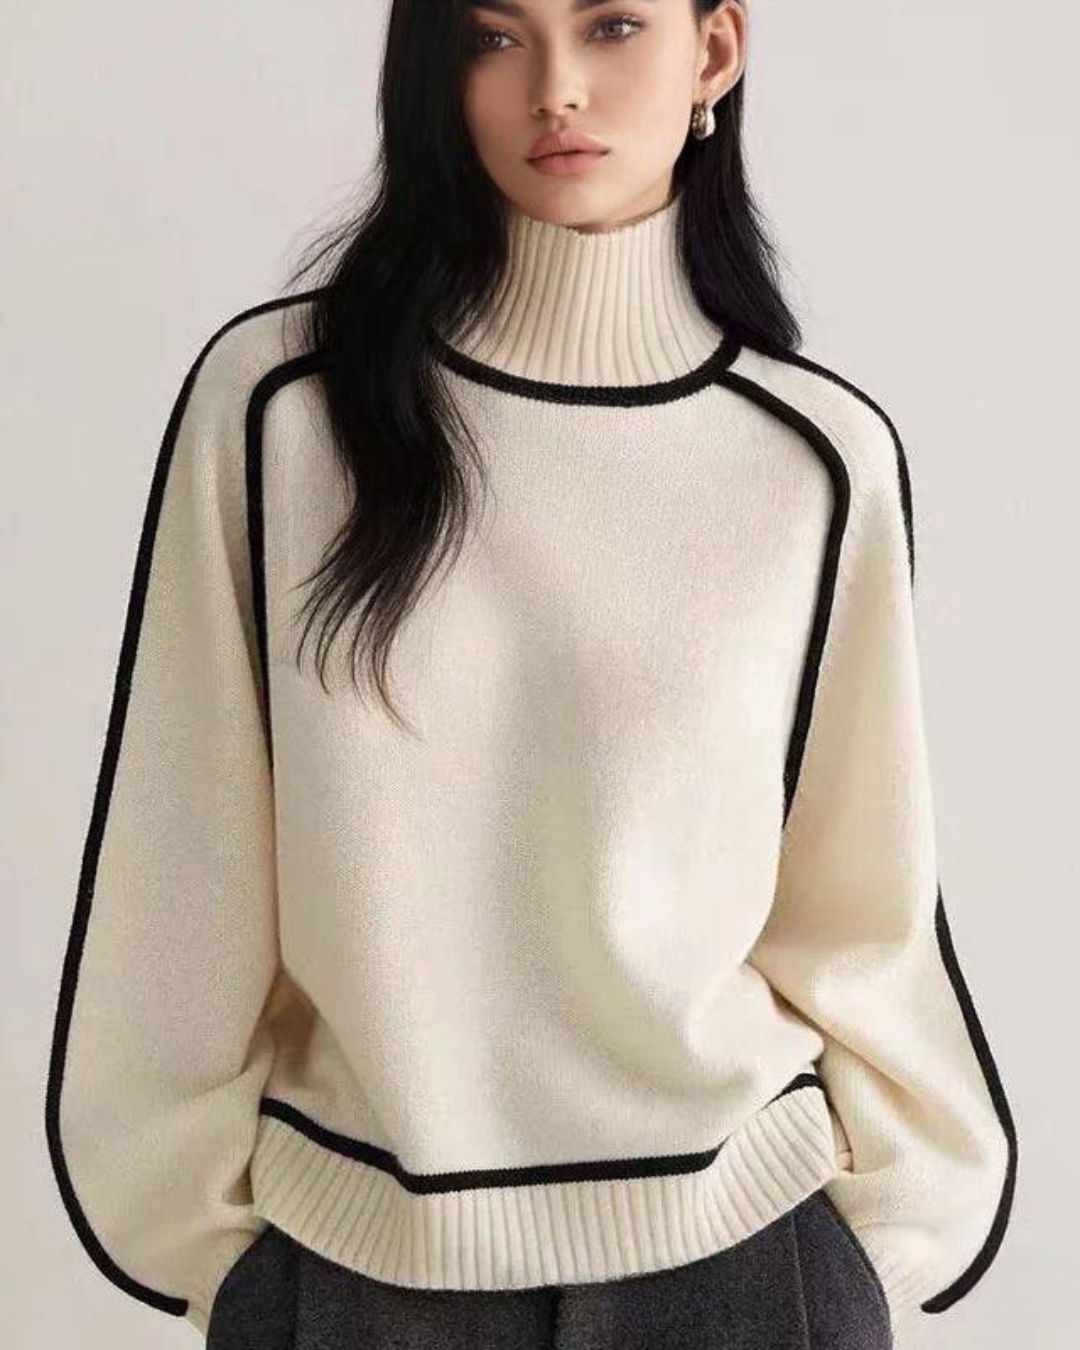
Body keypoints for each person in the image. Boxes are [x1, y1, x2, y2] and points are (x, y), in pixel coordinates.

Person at [44, 2, 1018, 1347]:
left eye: (611, 26)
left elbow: (863, 904)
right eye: (494, 38)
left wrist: (879, 1243)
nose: (557, 87)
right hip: (360, 1267)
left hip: (746, 1259)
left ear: (714, 52)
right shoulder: (283, 406)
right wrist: (222, 1257)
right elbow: (181, 865)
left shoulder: (814, 458)